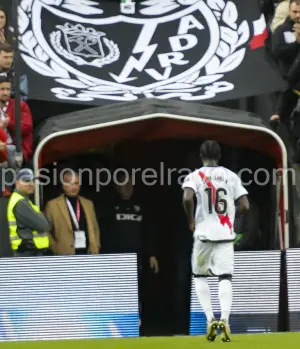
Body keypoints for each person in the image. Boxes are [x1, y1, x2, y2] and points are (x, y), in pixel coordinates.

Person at [182, 140, 249, 342]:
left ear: (201, 155)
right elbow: (245, 205)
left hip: (203, 235)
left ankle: (210, 318)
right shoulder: (230, 176)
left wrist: (191, 220)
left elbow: (187, 198)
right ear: (220, 155)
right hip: (225, 236)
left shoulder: (194, 176)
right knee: (225, 277)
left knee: (199, 276)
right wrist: (230, 216)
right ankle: (225, 320)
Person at [45, 170, 101, 255]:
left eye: (76, 183)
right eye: (70, 183)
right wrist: (55, 248)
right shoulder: (52, 205)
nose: (74, 187)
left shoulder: (88, 204)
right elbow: (46, 231)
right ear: (63, 185)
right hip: (64, 254)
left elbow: (95, 228)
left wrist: (96, 246)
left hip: (88, 253)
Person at [7, 168, 50, 256]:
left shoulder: (22, 200)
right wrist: (42, 217)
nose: (31, 184)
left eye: (33, 180)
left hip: (29, 251)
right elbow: (44, 225)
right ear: (17, 183)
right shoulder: (21, 202)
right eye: (26, 180)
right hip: (29, 252)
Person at [270, 0, 300, 127]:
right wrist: (297, 43)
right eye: (295, 12)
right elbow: (277, 52)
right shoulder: (281, 30)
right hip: (288, 82)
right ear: (288, 11)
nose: (298, 15)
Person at [0, 76, 32, 163]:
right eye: (2, 89)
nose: (6, 92)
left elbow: (27, 127)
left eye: (8, 89)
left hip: (16, 150)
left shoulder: (20, 105)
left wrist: (9, 123)